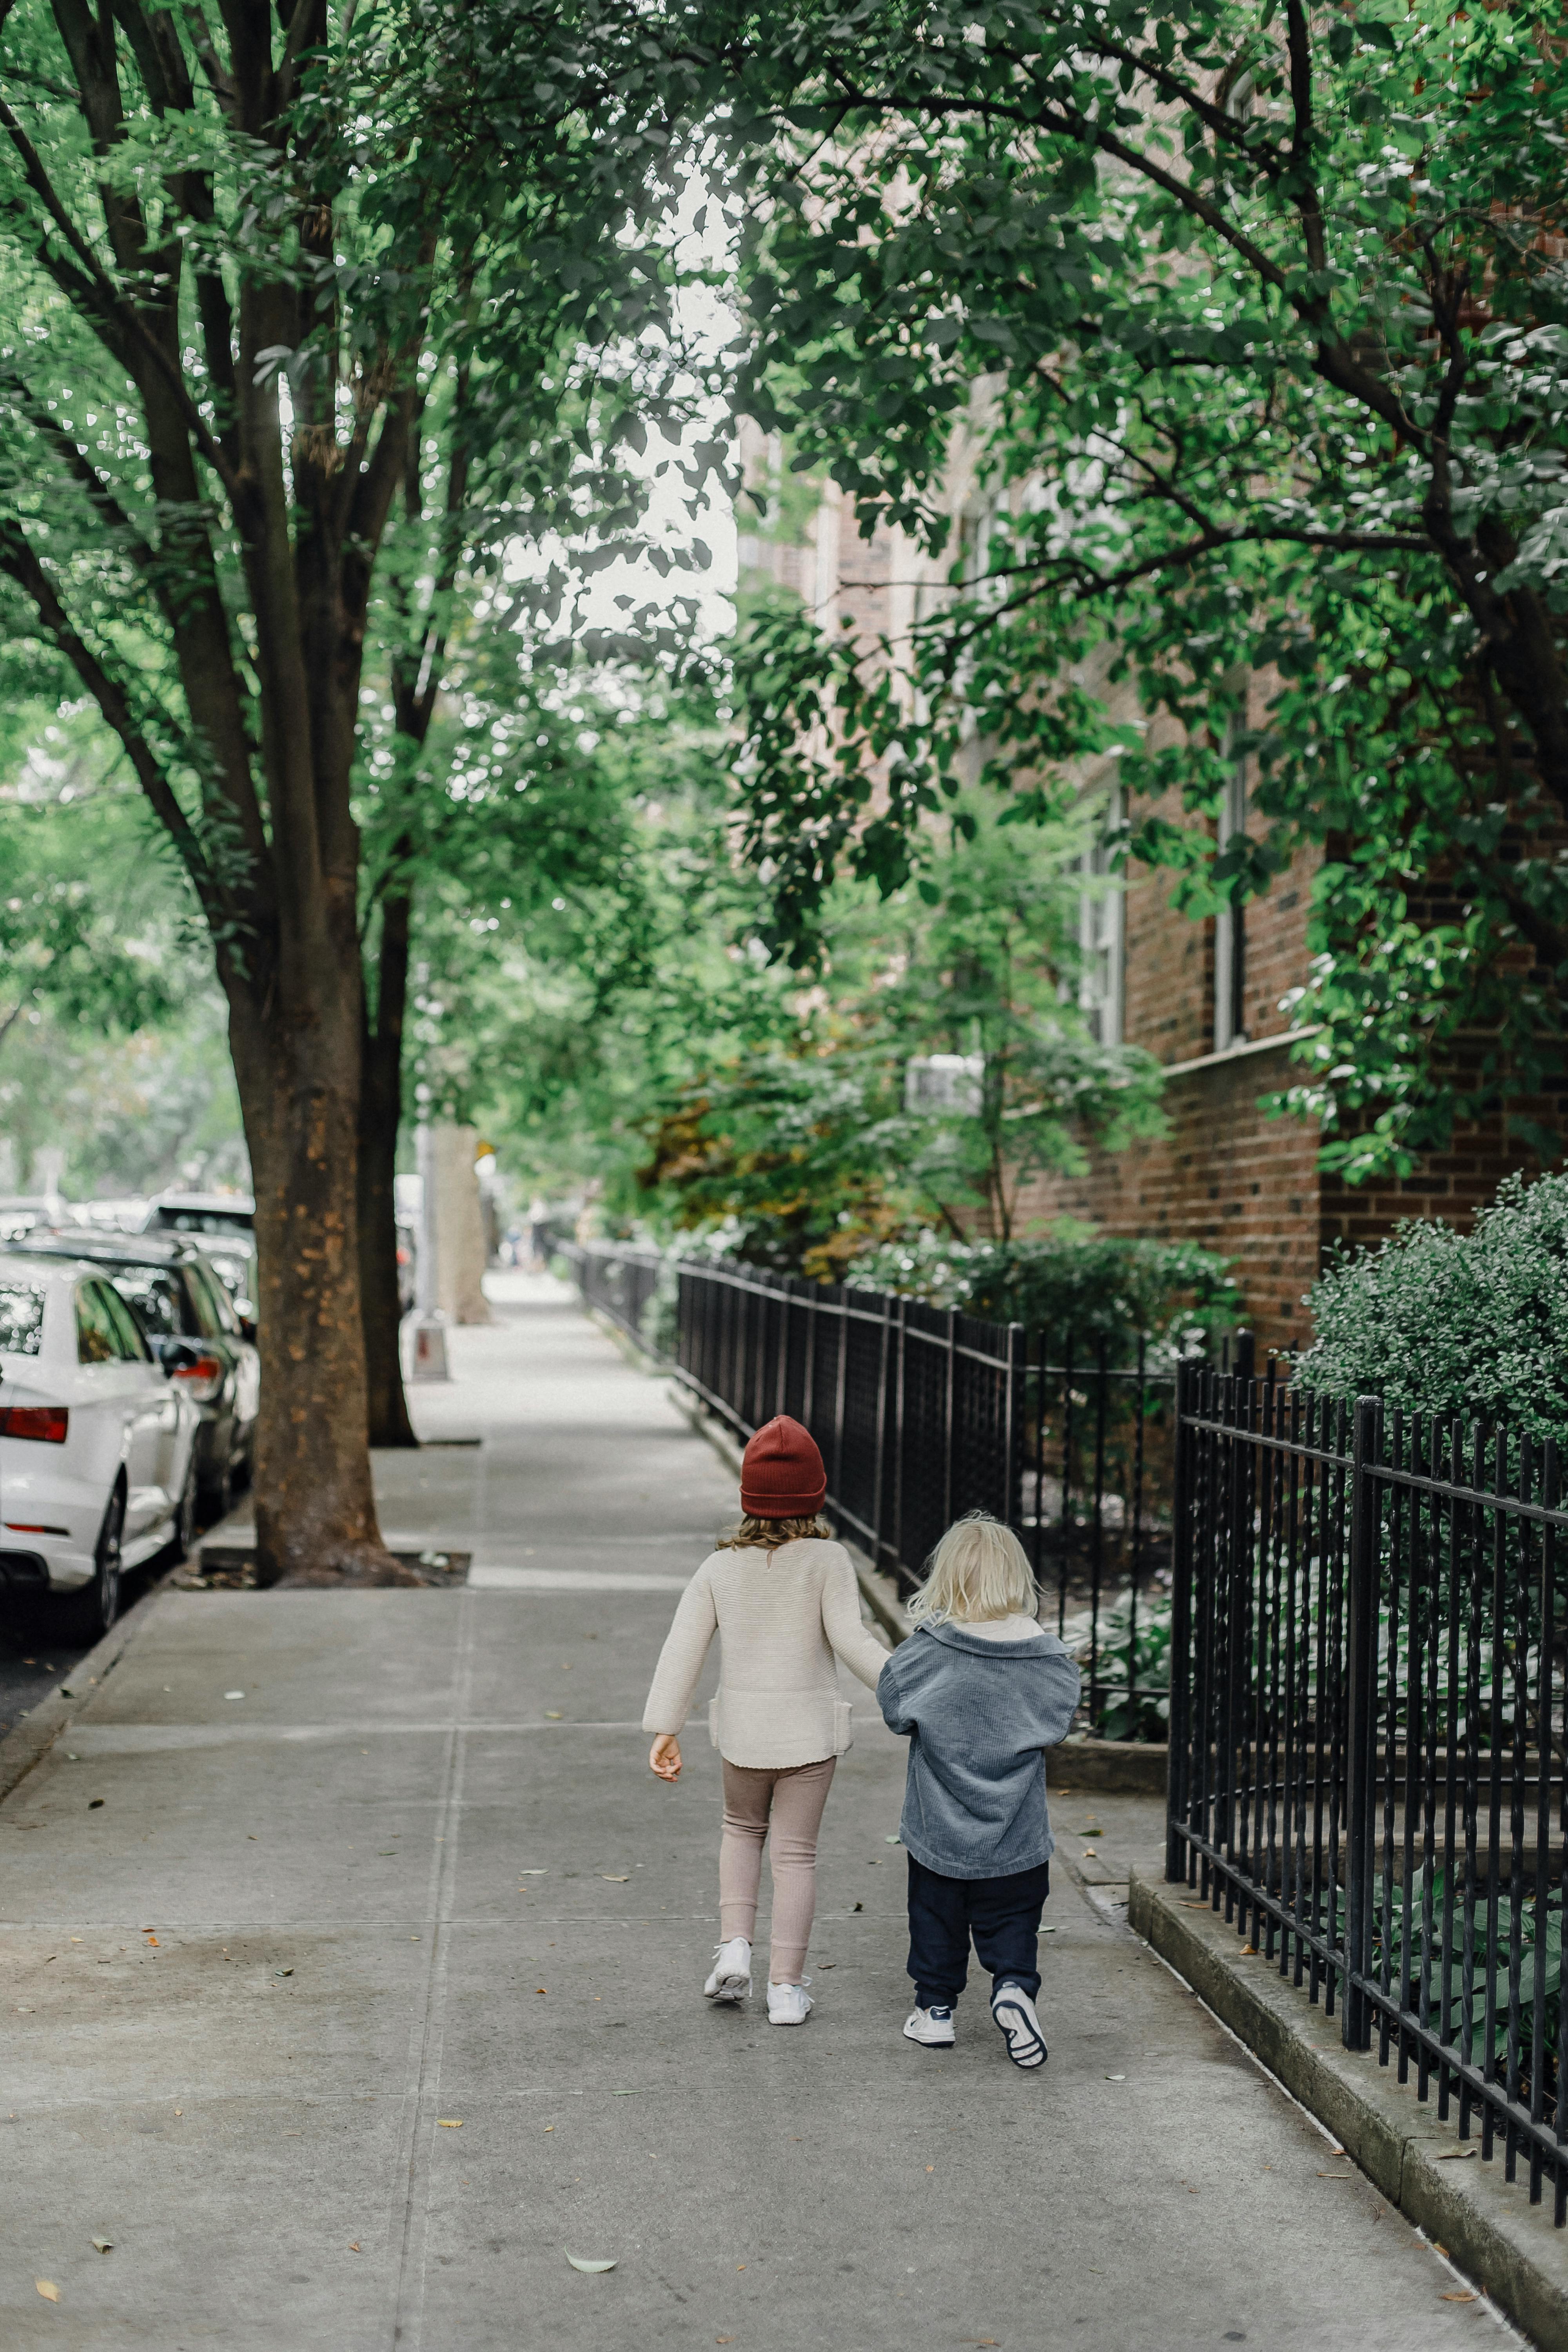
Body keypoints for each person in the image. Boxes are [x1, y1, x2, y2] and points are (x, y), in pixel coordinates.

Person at [642, 1414, 889, 2026]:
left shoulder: (719, 1568)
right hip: (808, 1735)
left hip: (744, 1736)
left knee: (740, 1831)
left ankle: (734, 1949)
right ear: (817, 1492)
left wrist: (665, 1726)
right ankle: (785, 1988)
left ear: (747, 1495)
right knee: (796, 1855)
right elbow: (854, 1641)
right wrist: (912, 1686)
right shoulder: (828, 1562)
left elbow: (683, 1647)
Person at [877, 1512, 1080, 2069]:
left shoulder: (929, 1651)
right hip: (1017, 1834)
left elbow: (895, 1706)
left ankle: (935, 2012)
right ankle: (1014, 1987)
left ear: (946, 1580)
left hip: (939, 1833)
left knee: (935, 1921)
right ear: (1017, 1579)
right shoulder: (1046, 1657)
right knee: (1014, 1920)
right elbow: (1059, 1718)